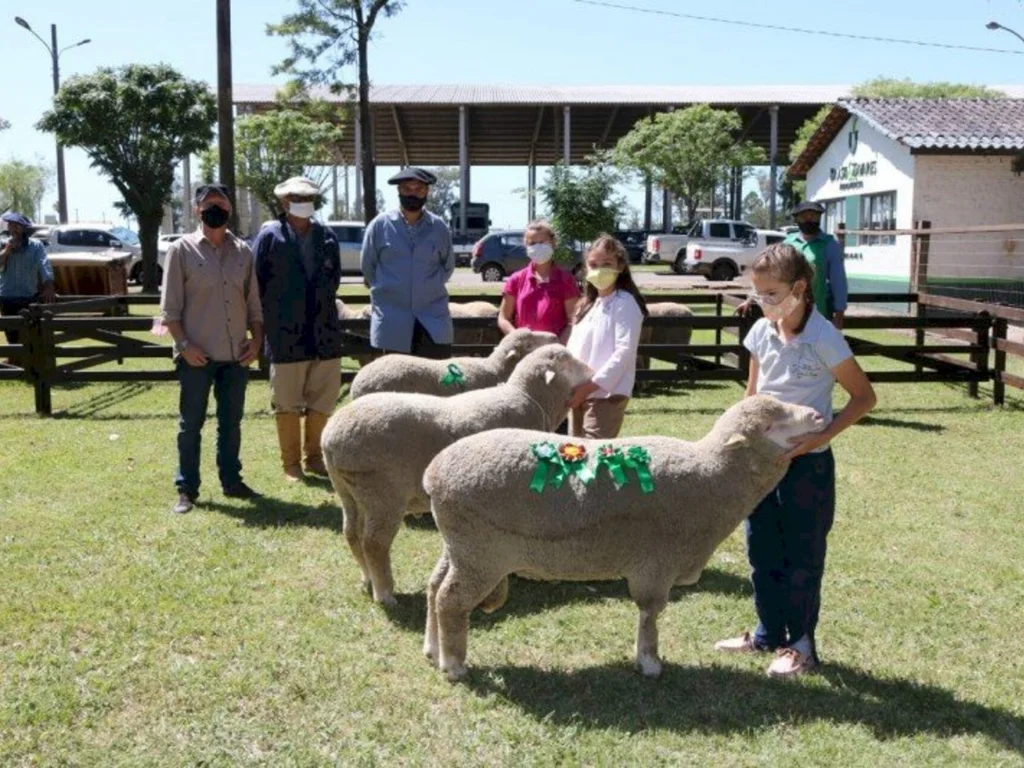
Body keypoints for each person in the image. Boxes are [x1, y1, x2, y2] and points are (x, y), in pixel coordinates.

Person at [715, 242, 876, 678]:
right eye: (757, 293)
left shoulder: (824, 337)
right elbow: (752, 399)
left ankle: (801, 645)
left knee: (803, 556)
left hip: (807, 466)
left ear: (799, 288)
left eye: (770, 294)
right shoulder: (761, 332)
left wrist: (821, 437)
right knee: (761, 549)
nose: (762, 302)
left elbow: (864, 398)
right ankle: (768, 634)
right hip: (762, 464)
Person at [160, 184, 264, 514]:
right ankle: (186, 489)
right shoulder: (181, 250)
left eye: (220, 204)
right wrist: (184, 346)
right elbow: (170, 311)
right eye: (208, 204)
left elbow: (254, 307)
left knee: (230, 424)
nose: (214, 209)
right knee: (190, 425)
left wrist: (257, 341)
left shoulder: (243, 252)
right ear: (196, 210)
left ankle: (232, 481)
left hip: (235, 356)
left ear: (230, 210)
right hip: (196, 357)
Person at [253, 177, 342, 482]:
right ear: (283, 201)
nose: (302, 200)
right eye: (295, 196)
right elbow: (256, 284)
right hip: (285, 334)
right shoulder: (269, 237)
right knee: (287, 402)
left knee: (323, 399)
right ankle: (290, 464)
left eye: (307, 196)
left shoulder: (328, 237)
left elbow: (334, 281)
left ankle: (314, 457)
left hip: (324, 333)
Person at [360, 167, 455, 358]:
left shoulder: (439, 228)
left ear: (427, 192)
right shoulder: (380, 226)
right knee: (393, 383)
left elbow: (447, 267)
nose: (413, 193)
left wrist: (425, 288)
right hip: (392, 322)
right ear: (399, 191)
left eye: (419, 189)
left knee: (434, 383)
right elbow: (368, 267)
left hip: (432, 322)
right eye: (407, 189)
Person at [565, 234, 648, 439]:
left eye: (607, 263)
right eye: (593, 264)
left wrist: (590, 387)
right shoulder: (587, 305)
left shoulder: (624, 303)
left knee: (594, 456)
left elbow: (624, 352)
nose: (599, 270)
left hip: (605, 394)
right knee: (574, 454)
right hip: (578, 392)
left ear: (620, 267)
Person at [498, 220, 579, 344]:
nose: (537, 247)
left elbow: (573, 320)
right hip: (524, 350)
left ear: (553, 243)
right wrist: (518, 340)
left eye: (542, 242)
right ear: (526, 246)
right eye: (532, 243)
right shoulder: (516, 279)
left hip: (554, 351)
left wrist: (557, 346)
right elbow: (503, 318)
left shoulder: (566, 280)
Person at [783, 201, 849, 329]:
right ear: (797, 219)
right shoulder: (788, 242)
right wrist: (753, 298)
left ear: (819, 218)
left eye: (813, 216)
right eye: (804, 216)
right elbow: (773, 274)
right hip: (789, 310)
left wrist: (839, 314)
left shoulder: (829, 244)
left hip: (818, 312)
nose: (809, 220)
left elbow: (838, 280)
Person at [0, 212, 55, 362]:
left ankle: (23, 362)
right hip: (7, 297)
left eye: (16, 226)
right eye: (11, 226)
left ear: (24, 229)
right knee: (11, 333)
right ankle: (15, 361)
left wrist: (48, 285)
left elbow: (44, 265)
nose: (13, 229)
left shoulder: (36, 246)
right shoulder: (3, 244)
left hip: (28, 297)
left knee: (28, 333)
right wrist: (6, 252)